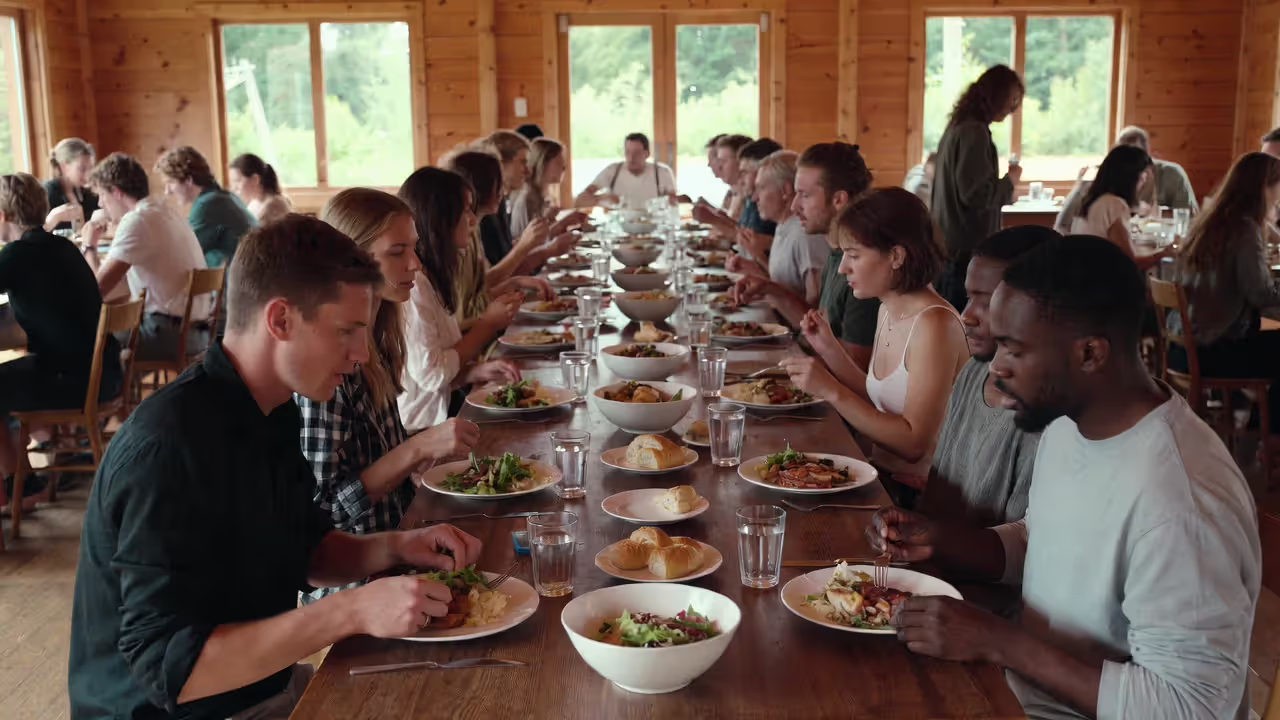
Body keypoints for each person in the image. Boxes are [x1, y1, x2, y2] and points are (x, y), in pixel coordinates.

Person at [69, 215, 486, 719]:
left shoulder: (274, 408)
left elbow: (303, 550)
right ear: (280, 320)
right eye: (348, 331)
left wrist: (396, 546)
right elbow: (169, 670)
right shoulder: (168, 445)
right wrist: (351, 610)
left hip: (265, 689)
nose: (360, 354)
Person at [869, 236, 1260, 720]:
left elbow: (1191, 706)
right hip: (1019, 691)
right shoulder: (1069, 423)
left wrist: (998, 642)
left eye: (1014, 348)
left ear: (1090, 353)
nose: (999, 366)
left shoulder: (1179, 499)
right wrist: (941, 540)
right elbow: (1040, 539)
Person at [296, 188, 481, 601]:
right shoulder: (327, 361)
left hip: (401, 543)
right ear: (355, 259)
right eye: (397, 252)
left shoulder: (381, 335)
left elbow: (383, 465)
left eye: (414, 248)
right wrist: (416, 449)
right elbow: (325, 515)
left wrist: (425, 455)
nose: (415, 264)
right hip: (357, 589)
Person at [781, 188, 969, 503]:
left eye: (854, 255)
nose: (842, 268)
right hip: (882, 477)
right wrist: (829, 349)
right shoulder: (888, 308)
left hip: (920, 498)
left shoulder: (935, 324)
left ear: (896, 256)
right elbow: (879, 396)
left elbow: (912, 444)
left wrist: (831, 390)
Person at [917, 225, 1054, 528]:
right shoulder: (975, 369)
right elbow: (937, 493)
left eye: (987, 301)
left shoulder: (1041, 410)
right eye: (969, 297)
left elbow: (1019, 543)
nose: (967, 315)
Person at [0, 173, 118, 507]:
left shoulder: (17, 254)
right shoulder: (63, 247)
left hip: (74, 382)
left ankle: (20, 485)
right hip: (102, 374)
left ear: (3, 216)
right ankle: (41, 467)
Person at [732, 142, 881, 370]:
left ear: (838, 200)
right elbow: (816, 331)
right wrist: (770, 289)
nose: (793, 206)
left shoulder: (863, 264)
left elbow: (855, 369)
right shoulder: (836, 252)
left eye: (804, 195)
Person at [398, 166, 522, 432]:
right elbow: (432, 375)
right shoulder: (414, 285)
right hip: (418, 430)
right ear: (439, 219)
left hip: (441, 415)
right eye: (465, 210)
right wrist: (487, 324)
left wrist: (473, 372)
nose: (473, 220)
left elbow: (436, 368)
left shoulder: (433, 276)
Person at [1173, 151, 1280, 434]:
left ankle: (1260, 421)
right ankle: (1270, 434)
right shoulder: (1244, 229)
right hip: (1218, 347)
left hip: (1184, 345)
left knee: (1275, 327)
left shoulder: (1211, 222)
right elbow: (1260, 294)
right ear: (1264, 187)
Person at [81, 153, 210, 363]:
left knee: (88, 343)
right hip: (196, 331)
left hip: (169, 334)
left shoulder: (137, 220)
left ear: (116, 192)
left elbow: (97, 289)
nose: (101, 204)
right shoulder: (164, 211)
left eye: (102, 196)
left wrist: (89, 247)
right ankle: (125, 390)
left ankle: (112, 394)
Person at [931, 64, 1024, 313]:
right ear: (995, 95)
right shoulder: (974, 132)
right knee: (964, 334)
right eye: (1012, 99)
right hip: (963, 255)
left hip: (950, 250)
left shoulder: (957, 127)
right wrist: (1010, 181)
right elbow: (976, 195)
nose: (1013, 108)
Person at [446, 150, 562, 324]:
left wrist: (515, 283)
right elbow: (466, 311)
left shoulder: (474, 228)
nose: (502, 190)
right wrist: (524, 247)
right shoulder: (463, 235)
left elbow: (479, 287)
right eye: (497, 182)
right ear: (480, 185)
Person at [725, 151, 828, 305]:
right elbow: (785, 286)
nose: (754, 198)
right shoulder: (783, 226)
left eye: (760, 188)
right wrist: (754, 267)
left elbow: (813, 311)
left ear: (785, 191)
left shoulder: (805, 234)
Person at [1056, 126, 1199, 233]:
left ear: (1147, 153)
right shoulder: (1104, 186)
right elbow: (1063, 224)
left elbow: (1189, 216)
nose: (1127, 166)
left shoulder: (1170, 174)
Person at [1069, 144, 1170, 270]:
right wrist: (1165, 253)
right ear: (1132, 176)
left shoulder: (1092, 200)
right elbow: (1130, 263)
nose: (1145, 180)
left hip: (1082, 277)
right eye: (1143, 174)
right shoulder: (1113, 204)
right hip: (1101, 283)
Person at [154, 146, 257, 268]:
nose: (167, 191)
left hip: (242, 282)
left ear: (188, 180)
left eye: (170, 183)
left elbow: (182, 256)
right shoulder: (224, 197)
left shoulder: (206, 205)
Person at [509, 137, 586, 240]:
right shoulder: (525, 199)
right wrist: (563, 222)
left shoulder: (543, 195)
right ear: (543, 164)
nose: (564, 167)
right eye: (558, 162)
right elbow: (527, 245)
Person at [575, 132, 677, 209]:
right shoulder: (612, 171)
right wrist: (603, 198)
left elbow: (674, 204)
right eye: (627, 152)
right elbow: (579, 201)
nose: (631, 158)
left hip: (653, 227)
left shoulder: (662, 172)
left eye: (637, 153)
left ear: (647, 154)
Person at [42, 138, 100, 233]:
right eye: (82, 169)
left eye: (90, 168)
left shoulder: (88, 193)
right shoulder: (46, 194)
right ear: (64, 166)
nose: (88, 174)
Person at [229, 153, 292, 225]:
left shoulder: (274, 205)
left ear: (255, 179)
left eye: (238, 181)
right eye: (233, 182)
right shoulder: (254, 203)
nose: (234, 188)